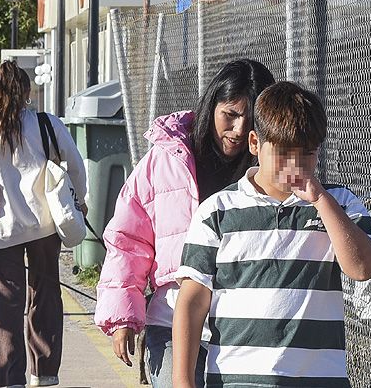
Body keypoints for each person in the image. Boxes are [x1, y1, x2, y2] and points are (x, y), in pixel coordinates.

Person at [172, 81, 371, 388]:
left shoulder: (338, 203)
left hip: (318, 380)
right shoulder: (217, 210)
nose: (296, 166)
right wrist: (183, 381)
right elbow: (192, 300)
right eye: (284, 153)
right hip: (236, 380)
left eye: (308, 153)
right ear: (255, 143)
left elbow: (362, 268)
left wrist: (321, 200)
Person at [94, 59, 275, 388]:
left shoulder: (270, 173)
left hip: (245, 330)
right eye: (230, 115)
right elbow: (128, 239)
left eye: (249, 123)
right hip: (170, 321)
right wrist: (123, 315)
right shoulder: (166, 159)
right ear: (212, 104)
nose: (237, 131)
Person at [0, 61, 87, 388]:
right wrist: (79, 200)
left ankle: (10, 380)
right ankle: (45, 373)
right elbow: (76, 166)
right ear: (27, 92)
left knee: (5, 308)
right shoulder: (46, 124)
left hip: (2, 232)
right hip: (44, 227)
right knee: (45, 298)